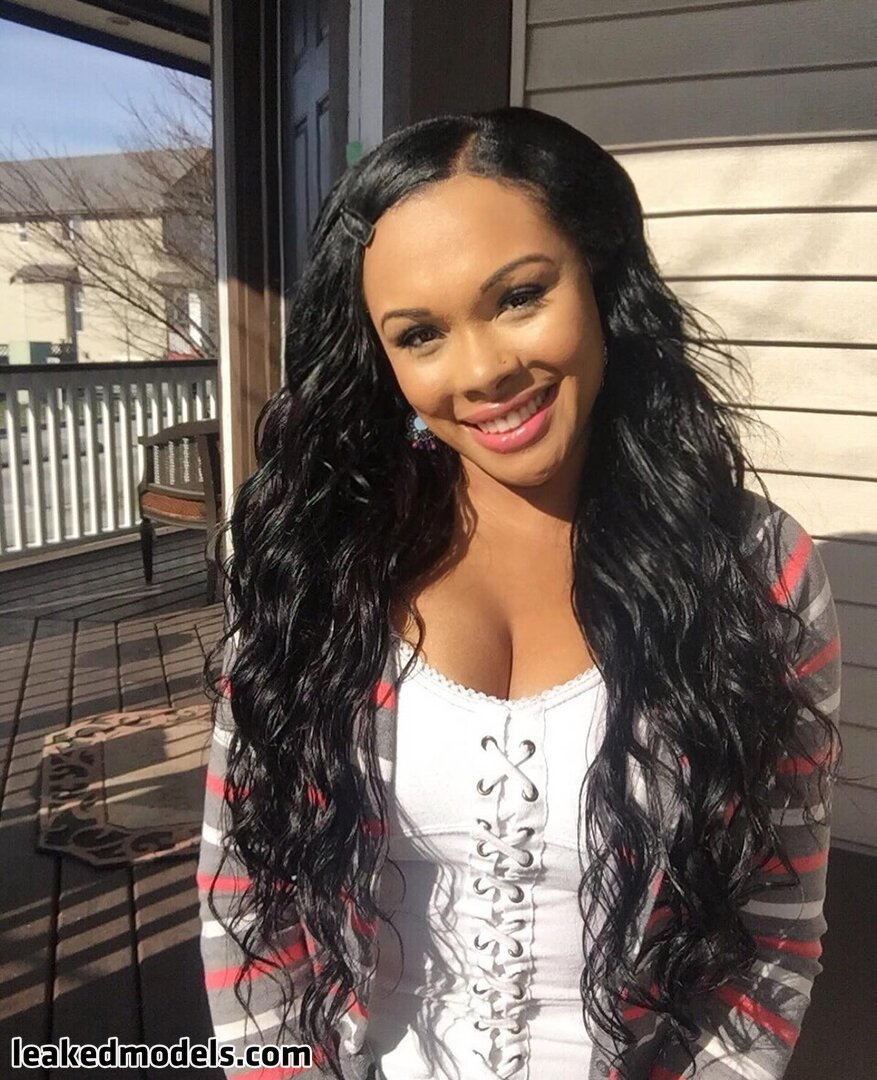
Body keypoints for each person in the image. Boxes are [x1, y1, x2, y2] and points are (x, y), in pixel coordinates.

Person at [197, 108, 841, 1080]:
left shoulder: (753, 571)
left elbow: (772, 929)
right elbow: (246, 893)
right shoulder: (317, 570)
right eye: (420, 334)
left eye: (519, 296)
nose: (484, 369)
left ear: (601, 278)